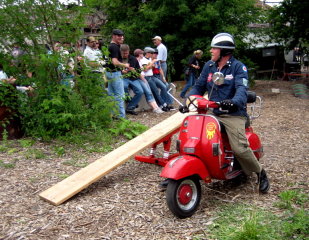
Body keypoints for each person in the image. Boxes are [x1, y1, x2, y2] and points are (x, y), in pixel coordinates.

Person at [187, 33, 270, 193]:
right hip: (213, 111)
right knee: (193, 134)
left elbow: (241, 91)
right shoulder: (209, 66)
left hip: (233, 114)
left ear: (224, 51)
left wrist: (233, 101)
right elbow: (199, 86)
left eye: (214, 48)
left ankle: (260, 173)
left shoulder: (239, 67)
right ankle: (191, 170)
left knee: (239, 148)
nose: (211, 50)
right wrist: (190, 99)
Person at [105, 29, 130, 119]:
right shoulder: (115, 47)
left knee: (112, 94)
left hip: (110, 72)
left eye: (122, 35)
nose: (121, 37)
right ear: (113, 36)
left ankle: (113, 114)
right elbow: (114, 62)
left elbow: (110, 63)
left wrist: (121, 70)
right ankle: (122, 117)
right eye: (119, 36)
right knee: (120, 95)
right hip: (114, 74)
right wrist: (125, 65)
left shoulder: (110, 46)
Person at [140, 47, 170, 112]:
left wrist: (152, 65)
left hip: (152, 76)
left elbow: (153, 67)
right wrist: (152, 63)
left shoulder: (150, 59)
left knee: (160, 88)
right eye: (152, 53)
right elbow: (145, 69)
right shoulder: (143, 60)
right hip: (147, 77)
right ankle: (163, 104)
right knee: (155, 91)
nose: (153, 54)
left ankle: (162, 104)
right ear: (148, 53)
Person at [134, 49, 163, 114]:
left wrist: (151, 65)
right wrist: (143, 79)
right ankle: (156, 107)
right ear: (139, 54)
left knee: (150, 92)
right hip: (142, 78)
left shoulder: (140, 60)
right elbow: (143, 70)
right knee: (148, 92)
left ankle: (157, 107)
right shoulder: (137, 61)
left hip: (145, 77)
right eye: (141, 54)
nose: (142, 55)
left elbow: (146, 68)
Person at [120, 44, 143, 115]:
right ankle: (130, 101)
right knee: (124, 86)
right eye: (124, 53)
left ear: (129, 51)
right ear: (120, 52)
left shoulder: (133, 59)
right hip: (123, 77)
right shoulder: (118, 59)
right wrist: (121, 71)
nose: (125, 55)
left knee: (140, 91)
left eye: (126, 53)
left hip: (133, 78)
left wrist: (134, 70)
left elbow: (139, 70)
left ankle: (130, 107)